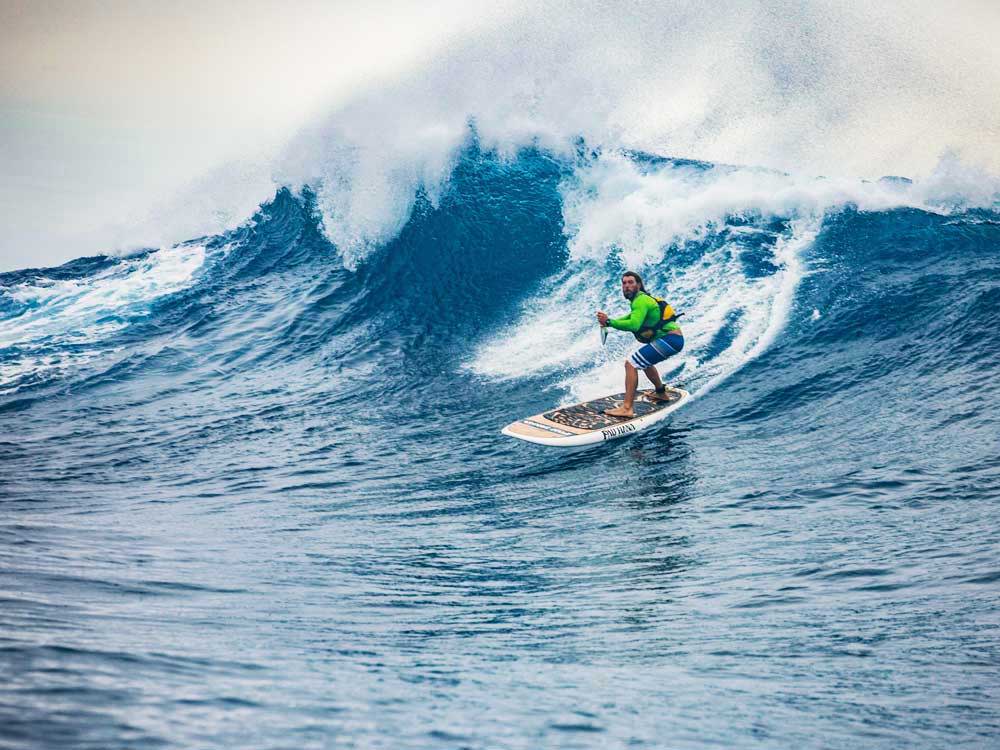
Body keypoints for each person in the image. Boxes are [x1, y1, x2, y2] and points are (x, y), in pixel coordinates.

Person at [596, 271, 684, 418]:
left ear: (639, 284)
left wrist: (609, 322)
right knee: (644, 362)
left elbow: (635, 325)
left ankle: (627, 408)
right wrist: (609, 321)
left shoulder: (640, 301)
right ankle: (661, 393)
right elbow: (629, 318)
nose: (627, 286)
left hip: (670, 340)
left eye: (631, 282)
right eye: (624, 283)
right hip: (672, 340)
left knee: (631, 364)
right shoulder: (640, 300)